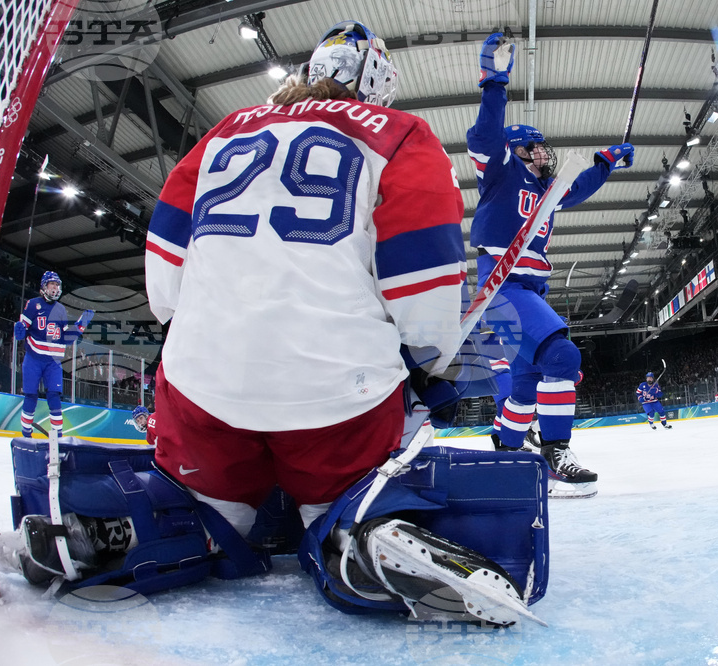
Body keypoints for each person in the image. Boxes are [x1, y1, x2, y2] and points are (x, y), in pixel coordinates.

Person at [142, 21, 528, 622]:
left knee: (208, 509)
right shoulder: (401, 134)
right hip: (333, 397)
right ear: (377, 84)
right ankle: (355, 540)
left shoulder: (222, 131)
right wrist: (425, 364)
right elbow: (422, 289)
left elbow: (164, 278)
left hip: (200, 387)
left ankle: (156, 531)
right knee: (339, 501)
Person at [468, 32, 633, 493]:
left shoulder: (547, 193)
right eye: (534, 147)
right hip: (503, 286)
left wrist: (604, 162)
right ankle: (556, 452)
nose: (543, 152)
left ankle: (507, 454)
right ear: (515, 150)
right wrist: (494, 83)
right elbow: (484, 134)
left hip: (524, 290)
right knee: (561, 354)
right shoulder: (500, 171)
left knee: (524, 387)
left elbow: (576, 188)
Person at [13, 271, 94, 437]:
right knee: (31, 395)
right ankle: (26, 433)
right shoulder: (32, 304)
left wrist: (80, 325)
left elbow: (64, 339)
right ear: (44, 286)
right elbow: (22, 330)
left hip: (53, 362)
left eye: (57, 285)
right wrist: (19, 331)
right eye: (52, 284)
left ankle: (57, 435)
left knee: (54, 397)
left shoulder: (61, 310)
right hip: (33, 358)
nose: (56, 288)